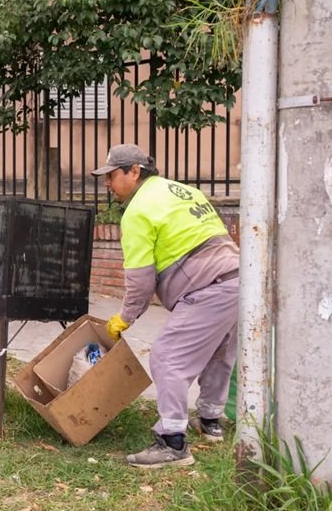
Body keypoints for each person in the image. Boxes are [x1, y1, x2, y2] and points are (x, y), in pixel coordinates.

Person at [92, 144, 239, 468]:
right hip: (238, 279)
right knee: (219, 353)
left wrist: (124, 318)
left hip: (206, 287)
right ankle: (210, 421)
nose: (107, 184)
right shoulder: (185, 191)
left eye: (111, 176)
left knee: (167, 357)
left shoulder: (138, 211)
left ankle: (172, 442)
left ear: (134, 171)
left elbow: (140, 282)